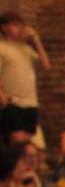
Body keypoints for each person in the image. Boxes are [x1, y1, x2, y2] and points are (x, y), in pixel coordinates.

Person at [0, 12, 51, 142]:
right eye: (15, 25)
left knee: (28, 144)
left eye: (21, 25)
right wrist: (2, 97)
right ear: (4, 27)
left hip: (31, 102)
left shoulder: (26, 49)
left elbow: (46, 66)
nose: (19, 29)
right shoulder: (2, 48)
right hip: (13, 101)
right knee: (16, 143)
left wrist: (36, 40)